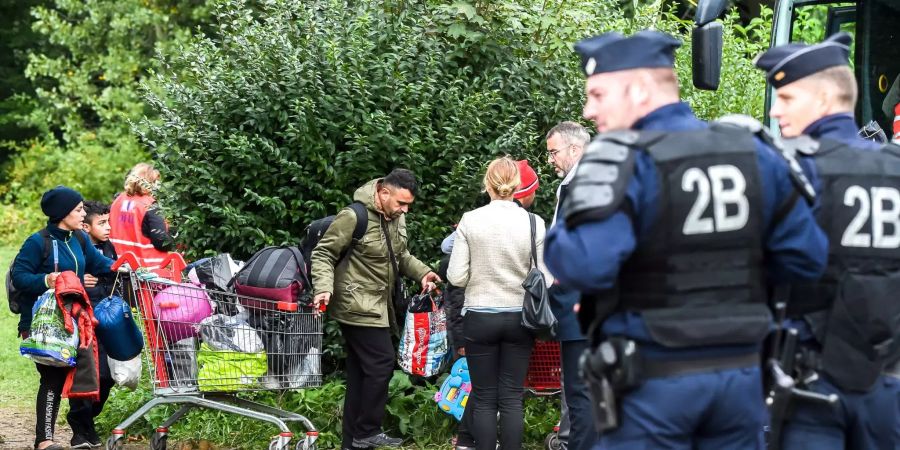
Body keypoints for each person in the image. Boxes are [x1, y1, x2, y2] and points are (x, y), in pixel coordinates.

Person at [544, 30, 828, 449]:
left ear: (639, 90)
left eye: (599, 95)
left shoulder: (624, 162)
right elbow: (807, 260)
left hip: (653, 382)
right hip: (741, 381)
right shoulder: (753, 153)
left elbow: (584, 264)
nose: (588, 111)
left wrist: (564, 232)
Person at [755, 32, 900, 450]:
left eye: (786, 99)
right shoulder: (893, 169)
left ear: (821, 100)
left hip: (812, 387)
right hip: (888, 387)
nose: (774, 111)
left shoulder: (791, 170)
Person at [310, 168, 440, 450]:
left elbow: (401, 255)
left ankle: (352, 442)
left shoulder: (394, 219)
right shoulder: (354, 216)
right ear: (383, 193)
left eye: (408, 205)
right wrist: (323, 287)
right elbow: (323, 253)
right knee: (381, 363)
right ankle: (367, 430)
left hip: (379, 305)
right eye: (400, 203)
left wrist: (423, 273)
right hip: (354, 304)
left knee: (361, 372)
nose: (404, 210)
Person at [447, 157, 553, 450]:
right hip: (521, 317)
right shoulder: (534, 222)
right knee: (511, 397)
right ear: (518, 185)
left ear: (487, 184)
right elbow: (545, 275)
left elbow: (456, 276)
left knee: (483, 396)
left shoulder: (471, 220)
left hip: (480, 316)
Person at [11, 186, 115, 450]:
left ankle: (81, 431)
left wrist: (126, 266)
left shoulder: (78, 238)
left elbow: (101, 264)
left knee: (87, 375)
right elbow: (19, 277)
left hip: (75, 321)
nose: (83, 214)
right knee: (53, 379)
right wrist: (46, 279)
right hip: (43, 324)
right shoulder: (38, 242)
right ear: (62, 213)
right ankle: (44, 440)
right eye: (78, 210)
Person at [543, 121, 597, 450]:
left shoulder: (575, 185)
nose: (551, 159)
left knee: (579, 392)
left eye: (554, 151)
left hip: (577, 304)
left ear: (574, 150)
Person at [66, 200, 118, 448]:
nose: (108, 228)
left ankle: (89, 419)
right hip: (83, 321)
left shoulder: (110, 248)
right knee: (86, 375)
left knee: (107, 377)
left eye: (109, 222)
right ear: (85, 227)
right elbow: (63, 277)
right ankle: (80, 427)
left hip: (107, 320)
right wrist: (78, 280)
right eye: (102, 223)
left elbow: (115, 275)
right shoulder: (75, 249)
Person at [109, 163, 172, 272]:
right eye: (155, 181)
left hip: (120, 264)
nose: (158, 185)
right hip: (148, 270)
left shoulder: (118, 200)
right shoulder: (150, 205)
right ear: (148, 182)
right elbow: (161, 242)